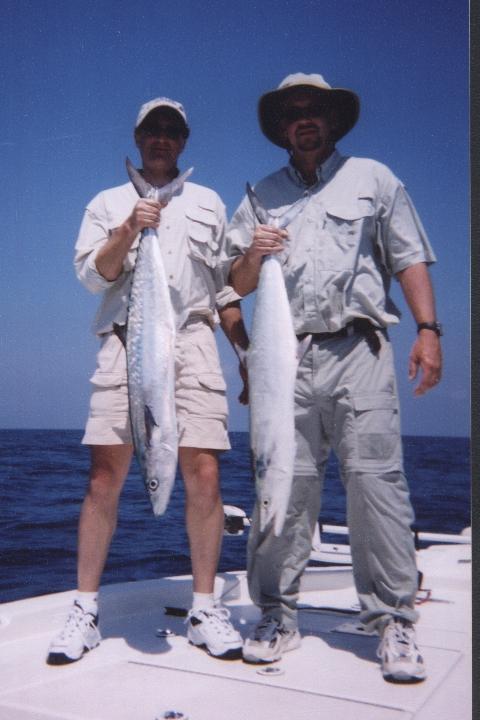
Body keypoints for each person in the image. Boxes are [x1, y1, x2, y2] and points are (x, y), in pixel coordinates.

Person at [226, 73, 442, 683]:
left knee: (376, 485)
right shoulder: (259, 196)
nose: (305, 120)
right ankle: (275, 613)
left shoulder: (375, 178)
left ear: (332, 119)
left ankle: (394, 619)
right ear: (282, 129)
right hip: (283, 359)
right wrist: (254, 255)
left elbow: (408, 257)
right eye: (293, 113)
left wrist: (429, 330)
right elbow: (234, 285)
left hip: (360, 349)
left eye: (314, 110)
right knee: (281, 486)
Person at [47, 97, 249, 665]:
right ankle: (84, 609)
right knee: (105, 474)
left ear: (183, 142)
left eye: (172, 131)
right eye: (152, 130)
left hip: (194, 339)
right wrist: (131, 228)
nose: (162, 139)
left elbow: (225, 287)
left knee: (204, 472)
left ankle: (205, 607)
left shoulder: (210, 201)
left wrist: (245, 354)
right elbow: (94, 276)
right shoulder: (107, 202)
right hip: (128, 338)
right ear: (138, 139)